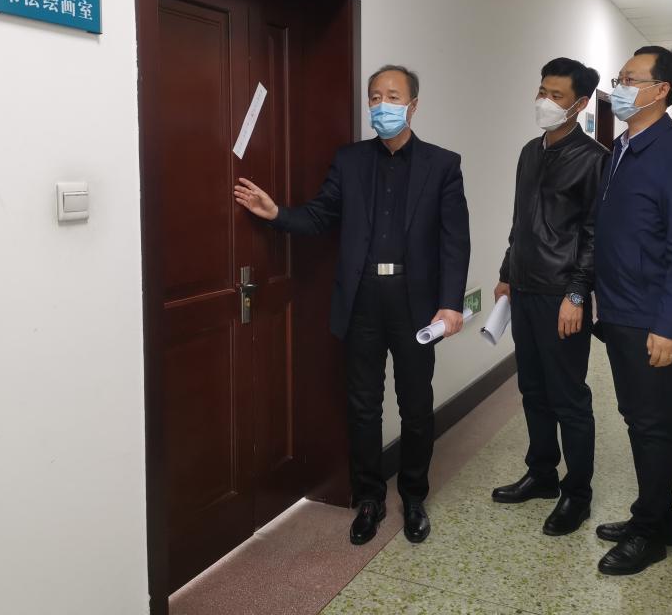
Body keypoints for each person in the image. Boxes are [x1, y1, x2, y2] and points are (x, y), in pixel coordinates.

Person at [233, 64, 470, 546]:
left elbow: (454, 241)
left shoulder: (443, 164)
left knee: (416, 405)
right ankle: (368, 499)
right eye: (374, 97)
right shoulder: (350, 161)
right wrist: (276, 214)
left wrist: (450, 305)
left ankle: (414, 496)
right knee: (363, 405)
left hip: (415, 304)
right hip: (361, 300)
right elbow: (321, 216)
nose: (382, 105)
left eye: (392, 96)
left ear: (413, 105)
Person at [592, 46, 672, 575]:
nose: (619, 87)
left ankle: (650, 533)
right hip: (619, 309)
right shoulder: (621, 148)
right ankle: (661, 517)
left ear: (661, 90)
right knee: (639, 418)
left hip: (651, 315)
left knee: (654, 425)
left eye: (630, 79)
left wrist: (670, 326)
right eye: (619, 78)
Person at [489, 58, 609, 539]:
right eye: (542, 90)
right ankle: (541, 473)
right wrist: (506, 273)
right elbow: (521, 220)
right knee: (533, 389)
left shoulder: (595, 159)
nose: (545, 101)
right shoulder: (529, 151)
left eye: (556, 95)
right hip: (524, 288)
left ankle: (577, 493)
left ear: (580, 104)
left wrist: (577, 293)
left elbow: (595, 234)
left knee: (568, 397)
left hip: (562, 295)